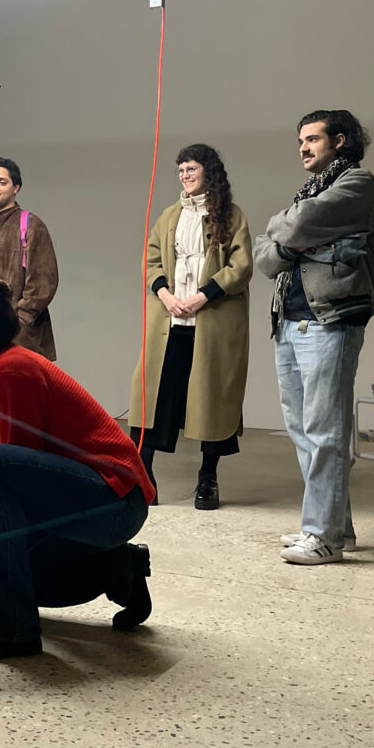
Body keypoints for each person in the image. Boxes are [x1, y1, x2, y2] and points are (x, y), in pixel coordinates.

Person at [0, 280, 155, 661]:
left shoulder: (13, 372)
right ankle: (119, 570)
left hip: (114, 501)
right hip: (86, 503)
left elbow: (0, 475)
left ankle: (12, 632)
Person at [254, 110, 374, 565]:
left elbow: (287, 228)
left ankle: (321, 535)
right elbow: (266, 256)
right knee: (304, 432)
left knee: (325, 431)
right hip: (289, 321)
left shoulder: (357, 183)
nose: (303, 147)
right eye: (300, 141)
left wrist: (287, 235)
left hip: (330, 320)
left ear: (340, 140)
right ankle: (337, 528)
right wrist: (297, 241)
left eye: (312, 139)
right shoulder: (309, 191)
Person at [129, 145, 252, 509]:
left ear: (209, 171)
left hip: (211, 320)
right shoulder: (169, 216)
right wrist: (166, 295)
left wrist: (202, 296)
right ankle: (143, 476)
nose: (184, 175)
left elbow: (240, 266)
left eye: (191, 168)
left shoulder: (231, 215)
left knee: (210, 398)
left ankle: (208, 478)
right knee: (153, 395)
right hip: (169, 319)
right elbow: (150, 261)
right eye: (181, 169)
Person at [0, 155, 59, 359]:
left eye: (2, 181)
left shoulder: (30, 224)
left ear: (16, 187)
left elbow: (43, 282)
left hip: (20, 338)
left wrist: (19, 321)